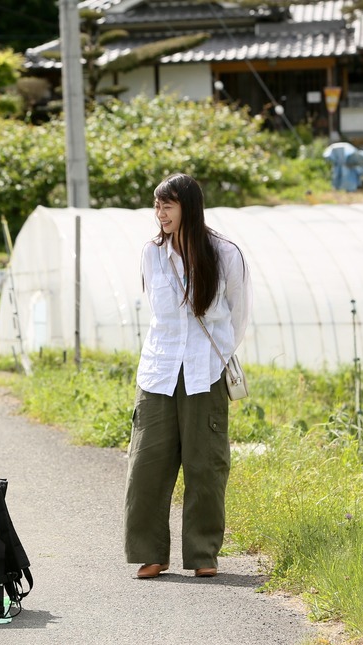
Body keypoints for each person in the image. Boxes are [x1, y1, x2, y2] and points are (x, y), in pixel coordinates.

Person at [123, 173, 251, 579]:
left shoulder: (225, 253)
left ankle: (202, 554)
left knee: (205, 467)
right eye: (157, 205)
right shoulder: (151, 253)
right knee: (146, 465)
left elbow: (240, 315)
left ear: (188, 208)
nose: (160, 213)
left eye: (168, 205)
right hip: (158, 370)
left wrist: (218, 358)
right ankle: (150, 553)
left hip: (205, 372)